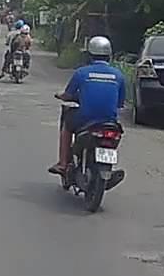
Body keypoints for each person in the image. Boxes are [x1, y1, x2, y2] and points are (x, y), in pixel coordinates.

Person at [49, 36, 126, 175]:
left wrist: (61, 95)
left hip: (85, 119)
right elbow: (120, 103)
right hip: (109, 121)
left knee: (67, 124)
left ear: (89, 55)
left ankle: (63, 163)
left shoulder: (81, 72)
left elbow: (68, 95)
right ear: (109, 55)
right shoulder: (118, 75)